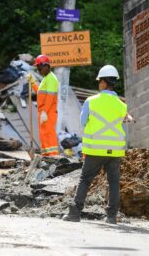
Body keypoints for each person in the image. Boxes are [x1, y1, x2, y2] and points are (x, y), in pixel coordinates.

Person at [62, 65, 127, 224]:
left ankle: (75, 213)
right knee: (113, 183)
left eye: (99, 81)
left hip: (95, 149)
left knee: (85, 180)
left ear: (104, 83)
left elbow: (83, 122)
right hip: (115, 151)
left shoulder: (91, 101)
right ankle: (111, 217)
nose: (99, 84)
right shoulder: (122, 105)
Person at [27, 55, 59, 156]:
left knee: (49, 134)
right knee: (44, 135)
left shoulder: (51, 79)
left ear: (46, 66)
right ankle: (46, 156)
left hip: (48, 112)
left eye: (40, 68)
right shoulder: (46, 78)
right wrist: (33, 83)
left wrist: (45, 111)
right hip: (44, 111)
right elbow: (40, 93)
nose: (39, 70)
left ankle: (53, 156)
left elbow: (50, 96)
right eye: (37, 68)